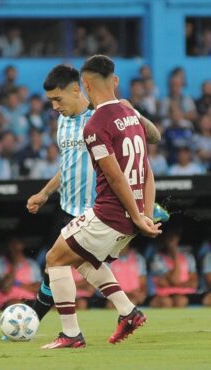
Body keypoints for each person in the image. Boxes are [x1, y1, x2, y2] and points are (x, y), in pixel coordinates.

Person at [26, 64, 166, 325]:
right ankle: (127, 312)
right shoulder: (62, 121)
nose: (54, 107)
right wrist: (44, 193)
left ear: (78, 89)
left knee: (56, 262)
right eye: (50, 101)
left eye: (57, 99)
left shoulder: (105, 115)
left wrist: (131, 112)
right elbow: (69, 164)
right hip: (70, 207)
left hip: (99, 208)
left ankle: (56, 329)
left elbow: (154, 138)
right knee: (73, 264)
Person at [150, 229, 198, 308]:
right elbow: (174, 280)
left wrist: (176, 284)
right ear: (164, 238)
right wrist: (176, 256)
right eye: (169, 236)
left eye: (175, 236)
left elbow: (194, 283)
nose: (172, 239)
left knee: (181, 300)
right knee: (167, 302)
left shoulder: (188, 257)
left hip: (187, 294)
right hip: (165, 294)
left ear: (178, 238)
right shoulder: (158, 258)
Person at [0, 237, 41, 309]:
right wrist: (14, 265)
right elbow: (6, 288)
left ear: (22, 245)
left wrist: (18, 284)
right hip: (9, 302)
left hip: (30, 300)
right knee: (17, 304)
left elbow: (39, 288)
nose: (14, 247)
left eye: (17, 243)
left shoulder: (32, 264)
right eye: (11, 244)